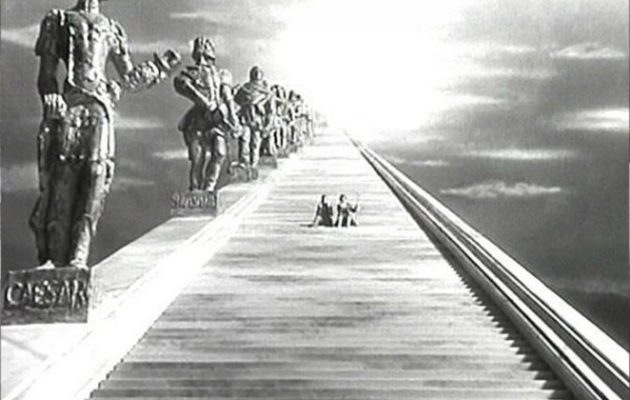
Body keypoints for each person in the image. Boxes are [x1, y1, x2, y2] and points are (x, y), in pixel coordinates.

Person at [29, 0, 180, 269]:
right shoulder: (59, 20)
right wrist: (50, 95)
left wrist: (159, 68)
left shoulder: (112, 28)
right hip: (70, 105)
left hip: (100, 108)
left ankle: (79, 256)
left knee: (95, 175)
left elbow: (129, 76)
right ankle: (55, 258)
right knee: (63, 177)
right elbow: (46, 74)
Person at [174, 37, 234, 192]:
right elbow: (182, 85)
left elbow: (227, 96)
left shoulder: (221, 74)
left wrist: (232, 117)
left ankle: (209, 187)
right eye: (201, 52)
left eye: (206, 50)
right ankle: (195, 190)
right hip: (198, 120)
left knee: (220, 153)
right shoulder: (189, 73)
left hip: (217, 119)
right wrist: (204, 102)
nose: (203, 58)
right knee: (198, 159)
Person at [234, 66, 272, 169]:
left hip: (257, 120)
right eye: (255, 73)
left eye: (257, 73)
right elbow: (236, 101)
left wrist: (268, 125)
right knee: (244, 141)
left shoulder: (266, 93)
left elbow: (270, 111)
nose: (256, 75)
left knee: (255, 143)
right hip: (245, 119)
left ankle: (253, 164)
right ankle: (244, 163)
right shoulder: (244, 89)